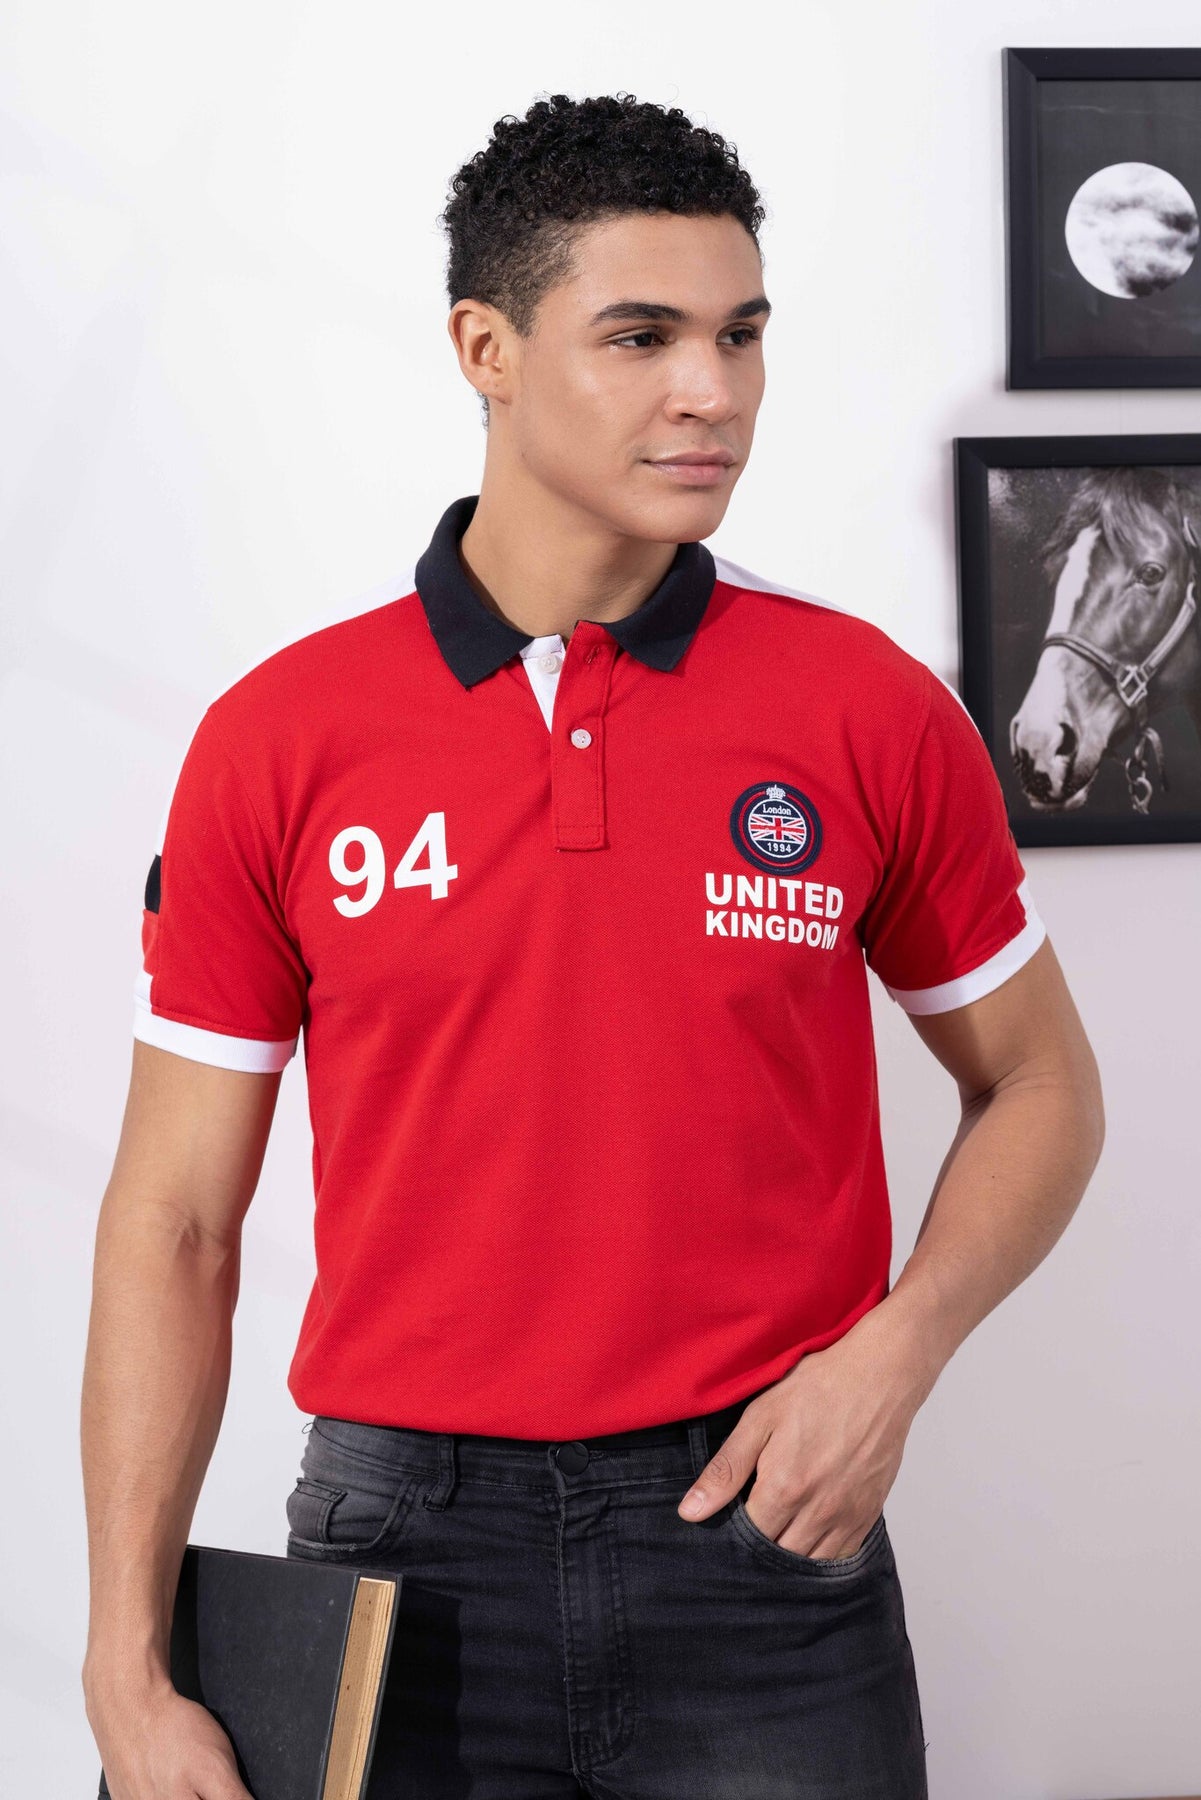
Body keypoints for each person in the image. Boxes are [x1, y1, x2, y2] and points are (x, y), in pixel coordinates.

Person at [81, 92, 1105, 1800]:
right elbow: (175, 1220)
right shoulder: (280, 738)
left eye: (739, 335)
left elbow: (1042, 1087)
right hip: (399, 1550)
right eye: (640, 338)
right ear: (484, 349)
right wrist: (125, 1665)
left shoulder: (864, 707)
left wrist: (895, 1355)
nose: (712, 392)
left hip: (763, 1541)